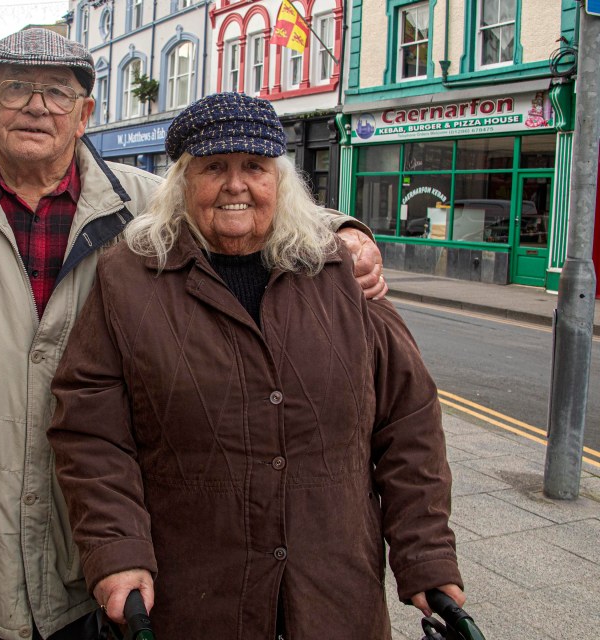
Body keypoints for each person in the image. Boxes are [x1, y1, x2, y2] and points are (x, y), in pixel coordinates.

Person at [0, 30, 386, 640]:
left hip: (105, 533)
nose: (36, 106)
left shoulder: (145, 201)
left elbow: (246, 204)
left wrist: (346, 229)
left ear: (85, 113)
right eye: (17, 88)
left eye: (58, 92)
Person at [47, 92, 464, 640]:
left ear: (280, 181)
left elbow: (409, 425)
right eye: (214, 167)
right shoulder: (128, 277)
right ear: (182, 181)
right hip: (194, 594)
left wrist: (425, 555)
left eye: (254, 167)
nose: (235, 184)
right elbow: (88, 428)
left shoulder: (339, 272)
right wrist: (117, 550)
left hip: (334, 592)